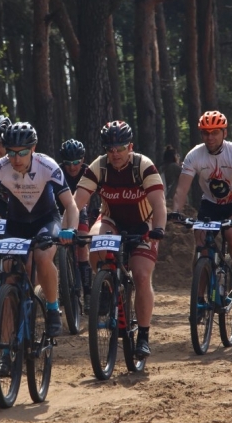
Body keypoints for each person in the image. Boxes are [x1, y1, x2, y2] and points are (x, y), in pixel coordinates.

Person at [0, 122, 78, 374]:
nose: (15, 158)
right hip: (16, 223)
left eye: (22, 152)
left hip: (46, 220)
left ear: (33, 149)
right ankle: (3, 352)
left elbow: (71, 205)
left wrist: (70, 230)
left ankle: (54, 309)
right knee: (9, 277)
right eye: (10, 152)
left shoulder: (47, 165)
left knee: (44, 257)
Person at [73, 121, 167, 359]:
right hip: (112, 219)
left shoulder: (143, 166)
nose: (115, 153)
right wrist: (69, 230)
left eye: (120, 148)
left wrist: (158, 229)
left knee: (142, 275)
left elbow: (158, 203)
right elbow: (76, 202)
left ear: (130, 147)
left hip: (143, 223)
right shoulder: (100, 166)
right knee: (95, 242)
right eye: (110, 148)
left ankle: (143, 336)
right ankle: (105, 285)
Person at [170, 111, 232, 305]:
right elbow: (182, 189)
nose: (210, 137)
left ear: (224, 133)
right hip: (210, 204)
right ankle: (199, 298)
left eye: (215, 132)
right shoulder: (195, 155)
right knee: (201, 247)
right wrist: (176, 211)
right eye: (205, 133)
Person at [58, 139, 92, 311]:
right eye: (68, 163)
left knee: (83, 247)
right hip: (59, 210)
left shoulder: (88, 171)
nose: (72, 167)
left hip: (82, 210)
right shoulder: (57, 171)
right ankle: (62, 284)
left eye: (76, 162)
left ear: (83, 159)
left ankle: (87, 293)